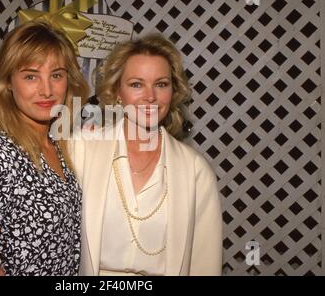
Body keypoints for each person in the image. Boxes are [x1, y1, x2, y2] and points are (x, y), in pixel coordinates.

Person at [70, 33, 223, 275]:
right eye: (137, 84)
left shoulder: (195, 170)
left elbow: (205, 262)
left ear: (173, 91)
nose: (150, 96)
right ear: (117, 92)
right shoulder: (82, 149)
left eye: (161, 84)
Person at [0, 21, 90, 275]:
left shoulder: (65, 150)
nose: (47, 90)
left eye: (56, 75)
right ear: (9, 82)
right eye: (30, 76)